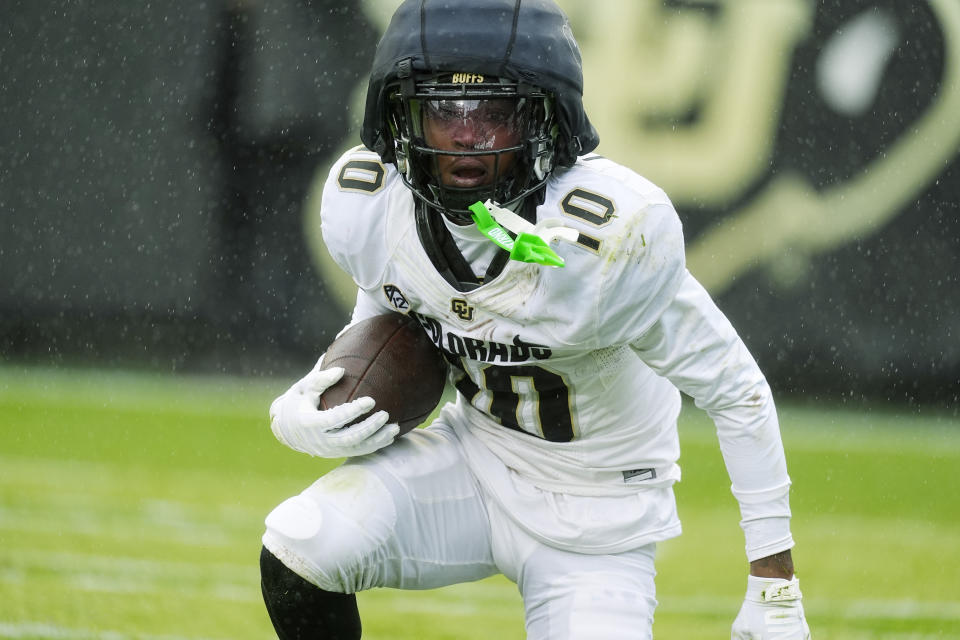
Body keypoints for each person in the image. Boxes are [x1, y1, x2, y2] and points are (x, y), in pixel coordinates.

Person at [259, 1, 811, 638]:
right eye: (443, 110)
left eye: (493, 112)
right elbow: (393, 310)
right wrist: (314, 404)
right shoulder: (369, 203)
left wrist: (774, 584)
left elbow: (736, 391)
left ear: (545, 118)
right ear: (400, 118)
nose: (466, 135)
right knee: (301, 547)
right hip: (472, 463)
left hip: (600, 520)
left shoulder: (607, 241)